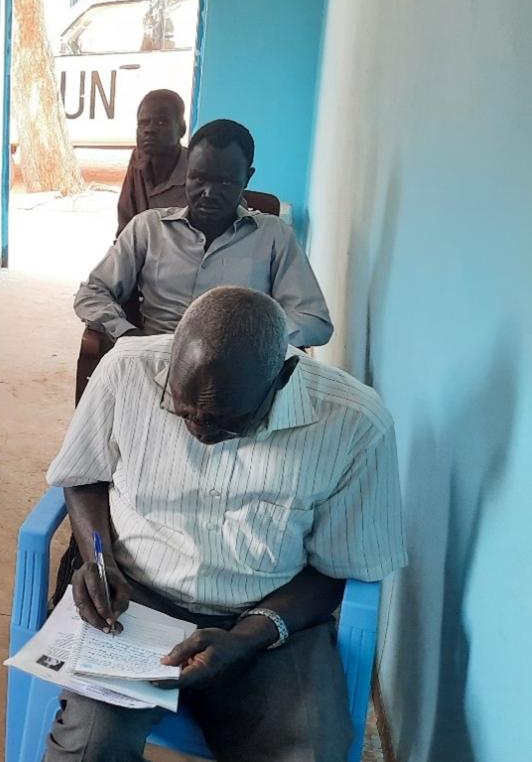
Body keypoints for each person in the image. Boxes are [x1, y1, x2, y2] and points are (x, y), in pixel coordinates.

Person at [43, 287, 407, 762]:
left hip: (269, 623)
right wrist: (100, 559)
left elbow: (339, 567)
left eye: (223, 420)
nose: (198, 429)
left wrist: (246, 637)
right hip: (137, 605)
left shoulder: (355, 425)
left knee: (310, 752)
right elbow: (83, 478)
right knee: (89, 748)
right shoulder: (127, 371)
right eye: (183, 410)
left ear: (282, 377)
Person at [74, 119, 333, 348]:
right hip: (155, 356)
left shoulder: (273, 236)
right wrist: (126, 335)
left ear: (247, 178)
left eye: (225, 182)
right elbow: (92, 292)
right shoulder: (149, 228)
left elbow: (314, 320)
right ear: (187, 172)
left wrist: (255, 343)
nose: (209, 193)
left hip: (239, 370)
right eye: (199, 178)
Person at [116, 88, 189, 234]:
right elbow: (125, 225)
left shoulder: (196, 170)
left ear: (182, 129)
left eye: (161, 122)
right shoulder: (138, 159)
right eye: (143, 123)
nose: (149, 130)